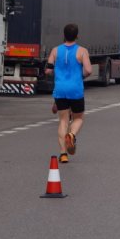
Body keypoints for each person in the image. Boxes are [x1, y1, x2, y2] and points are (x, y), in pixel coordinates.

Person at [44, 24, 92, 163]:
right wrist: (81, 76)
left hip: (60, 89)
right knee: (78, 118)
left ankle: (63, 154)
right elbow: (88, 70)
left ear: (64, 35)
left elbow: (48, 70)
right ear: (77, 36)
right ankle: (71, 134)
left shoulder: (55, 50)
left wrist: (52, 72)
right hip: (75, 89)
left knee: (63, 121)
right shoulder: (82, 51)